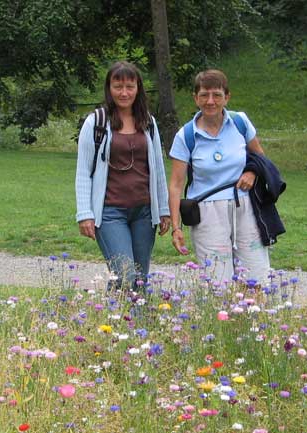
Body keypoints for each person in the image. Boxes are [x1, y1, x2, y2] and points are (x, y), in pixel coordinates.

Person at [168, 69, 271, 284]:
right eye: (204, 95)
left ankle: (255, 317)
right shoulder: (185, 135)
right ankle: (222, 317)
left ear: (227, 97)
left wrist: (252, 172)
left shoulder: (240, 122)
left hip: (245, 206)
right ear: (195, 98)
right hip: (207, 212)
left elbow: (260, 157)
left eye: (217, 95)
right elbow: (176, 185)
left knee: (256, 277)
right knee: (217, 283)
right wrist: (176, 228)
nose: (210, 101)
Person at [76, 61, 170, 289]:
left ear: (138, 88)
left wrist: (164, 210)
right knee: (124, 275)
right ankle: (115, 321)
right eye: (118, 86)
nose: (124, 92)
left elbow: (157, 169)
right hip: (110, 212)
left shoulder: (148, 122)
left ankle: (138, 323)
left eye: (130, 86)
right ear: (109, 88)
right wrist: (84, 213)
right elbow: (83, 172)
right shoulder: (96, 122)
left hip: (144, 213)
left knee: (139, 279)